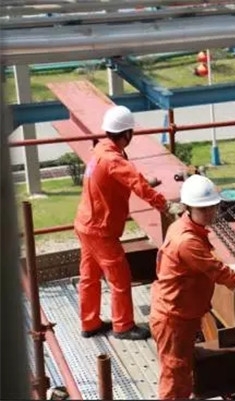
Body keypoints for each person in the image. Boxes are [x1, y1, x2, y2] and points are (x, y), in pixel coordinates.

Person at [150, 174, 235, 400]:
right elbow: (217, 273)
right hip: (174, 320)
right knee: (174, 377)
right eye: (204, 209)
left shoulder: (185, 226)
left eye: (212, 207)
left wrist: (226, 267)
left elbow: (202, 266)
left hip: (179, 314)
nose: (210, 213)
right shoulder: (187, 241)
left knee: (181, 373)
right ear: (188, 208)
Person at [74, 105, 184, 341]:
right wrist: (165, 205)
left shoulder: (100, 151)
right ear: (127, 134)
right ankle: (123, 326)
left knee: (89, 276)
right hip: (101, 230)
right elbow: (132, 180)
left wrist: (143, 182)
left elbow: (122, 179)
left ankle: (90, 322)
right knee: (120, 278)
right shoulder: (113, 159)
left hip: (85, 224)